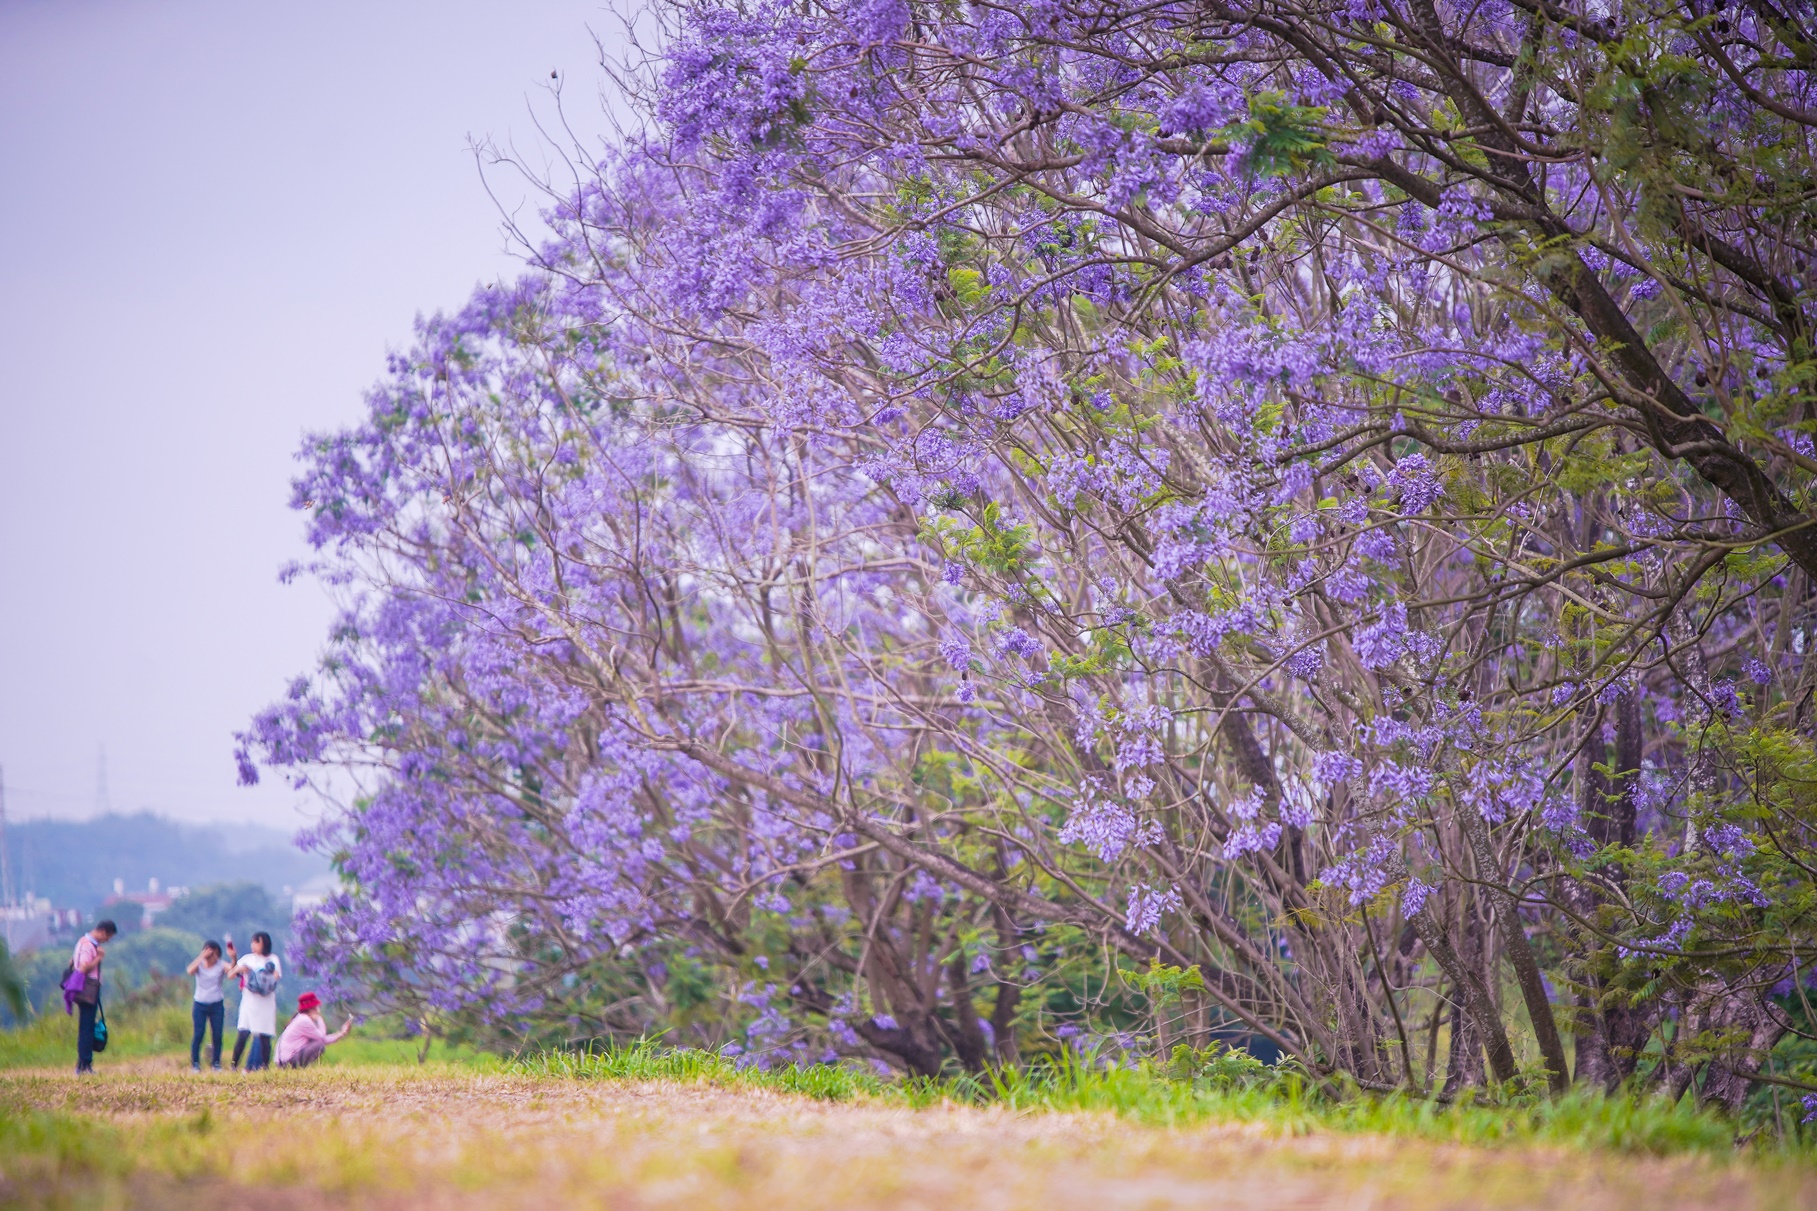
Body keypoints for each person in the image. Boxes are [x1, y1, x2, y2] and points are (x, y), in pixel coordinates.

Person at [67, 919, 116, 1074]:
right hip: (87, 989)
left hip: (90, 990)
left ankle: (84, 1063)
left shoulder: (86, 943)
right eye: (107, 938)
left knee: (87, 1026)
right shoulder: (87, 945)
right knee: (87, 1028)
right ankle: (84, 1065)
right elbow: (83, 967)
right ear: (103, 932)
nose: (106, 941)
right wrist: (99, 958)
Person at [228, 931, 281, 1071]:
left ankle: (265, 1067)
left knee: (265, 1036)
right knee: (243, 1034)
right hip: (249, 1003)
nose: (253, 945)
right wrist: (240, 969)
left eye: (256, 942)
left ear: (263, 943)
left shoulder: (272, 959)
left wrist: (262, 979)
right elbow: (231, 975)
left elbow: (276, 976)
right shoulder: (247, 959)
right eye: (252, 942)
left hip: (265, 1002)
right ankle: (234, 1065)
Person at [275, 991, 351, 1069]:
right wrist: (319, 1018)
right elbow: (321, 1037)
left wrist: (342, 1033)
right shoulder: (304, 1020)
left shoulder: (300, 1018)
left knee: (318, 1043)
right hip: (287, 1062)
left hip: (284, 1061)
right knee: (319, 1045)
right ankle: (300, 1068)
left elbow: (323, 1039)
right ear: (313, 1008)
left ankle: (301, 1068)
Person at [186, 940, 228, 1071]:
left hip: (216, 1004)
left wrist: (231, 957)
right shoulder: (199, 964)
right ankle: (195, 1063)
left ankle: (216, 1063)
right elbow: (190, 971)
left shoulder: (220, 965)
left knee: (217, 1034)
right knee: (198, 1034)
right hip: (200, 1004)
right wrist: (201, 957)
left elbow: (231, 970)